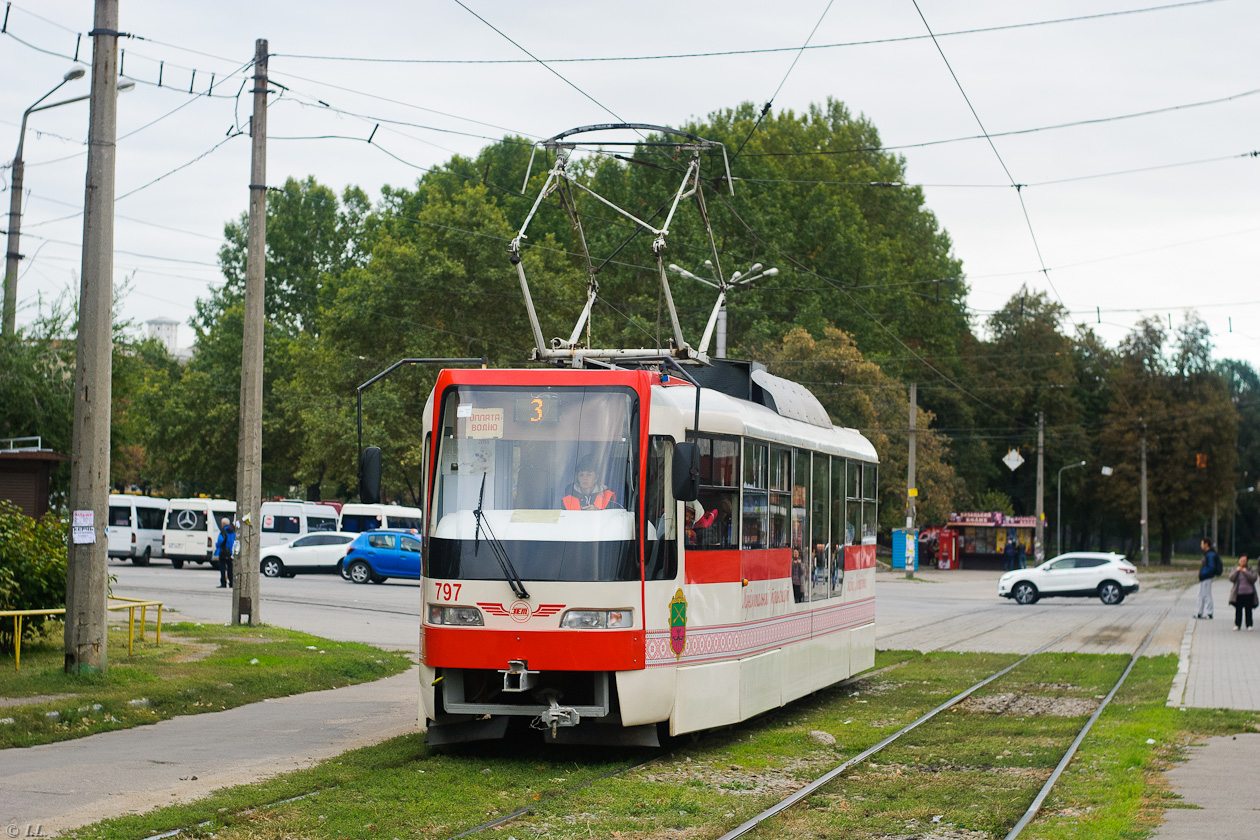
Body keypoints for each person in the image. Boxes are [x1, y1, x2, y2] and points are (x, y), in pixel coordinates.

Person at [1228, 555, 1258, 630]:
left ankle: (1249, 625)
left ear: (1247, 561)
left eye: (1244, 561)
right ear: (1238, 561)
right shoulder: (1235, 569)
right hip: (1238, 593)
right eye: (1241, 560)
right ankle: (1237, 624)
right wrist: (1237, 571)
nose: (1242, 562)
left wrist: (1245, 572)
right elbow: (1231, 578)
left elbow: (1254, 578)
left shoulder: (1250, 569)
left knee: (1248, 609)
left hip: (1249, 592)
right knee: (1238, 610)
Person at [1196, 538, 1223, 619]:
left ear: (1206, 544)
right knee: (1200, 595)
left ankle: (1209, 613)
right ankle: (1199, 612)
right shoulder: (1207, 554)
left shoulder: (1210, 554)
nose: (1201, 545)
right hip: (1204, 578)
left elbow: (1211, 567)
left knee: (1207, 595)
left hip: (1207, 577)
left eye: (1202, 543)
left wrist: (1204, 574)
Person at [215, 517, 235, 588]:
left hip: (223, 552)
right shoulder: (233, 531)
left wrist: (216, 545)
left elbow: (220, 540)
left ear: (223, 524)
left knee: (223, 568)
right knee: (230, 568)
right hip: (230, 552)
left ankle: (223, 583)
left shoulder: (223, 531)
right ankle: (231, 583)